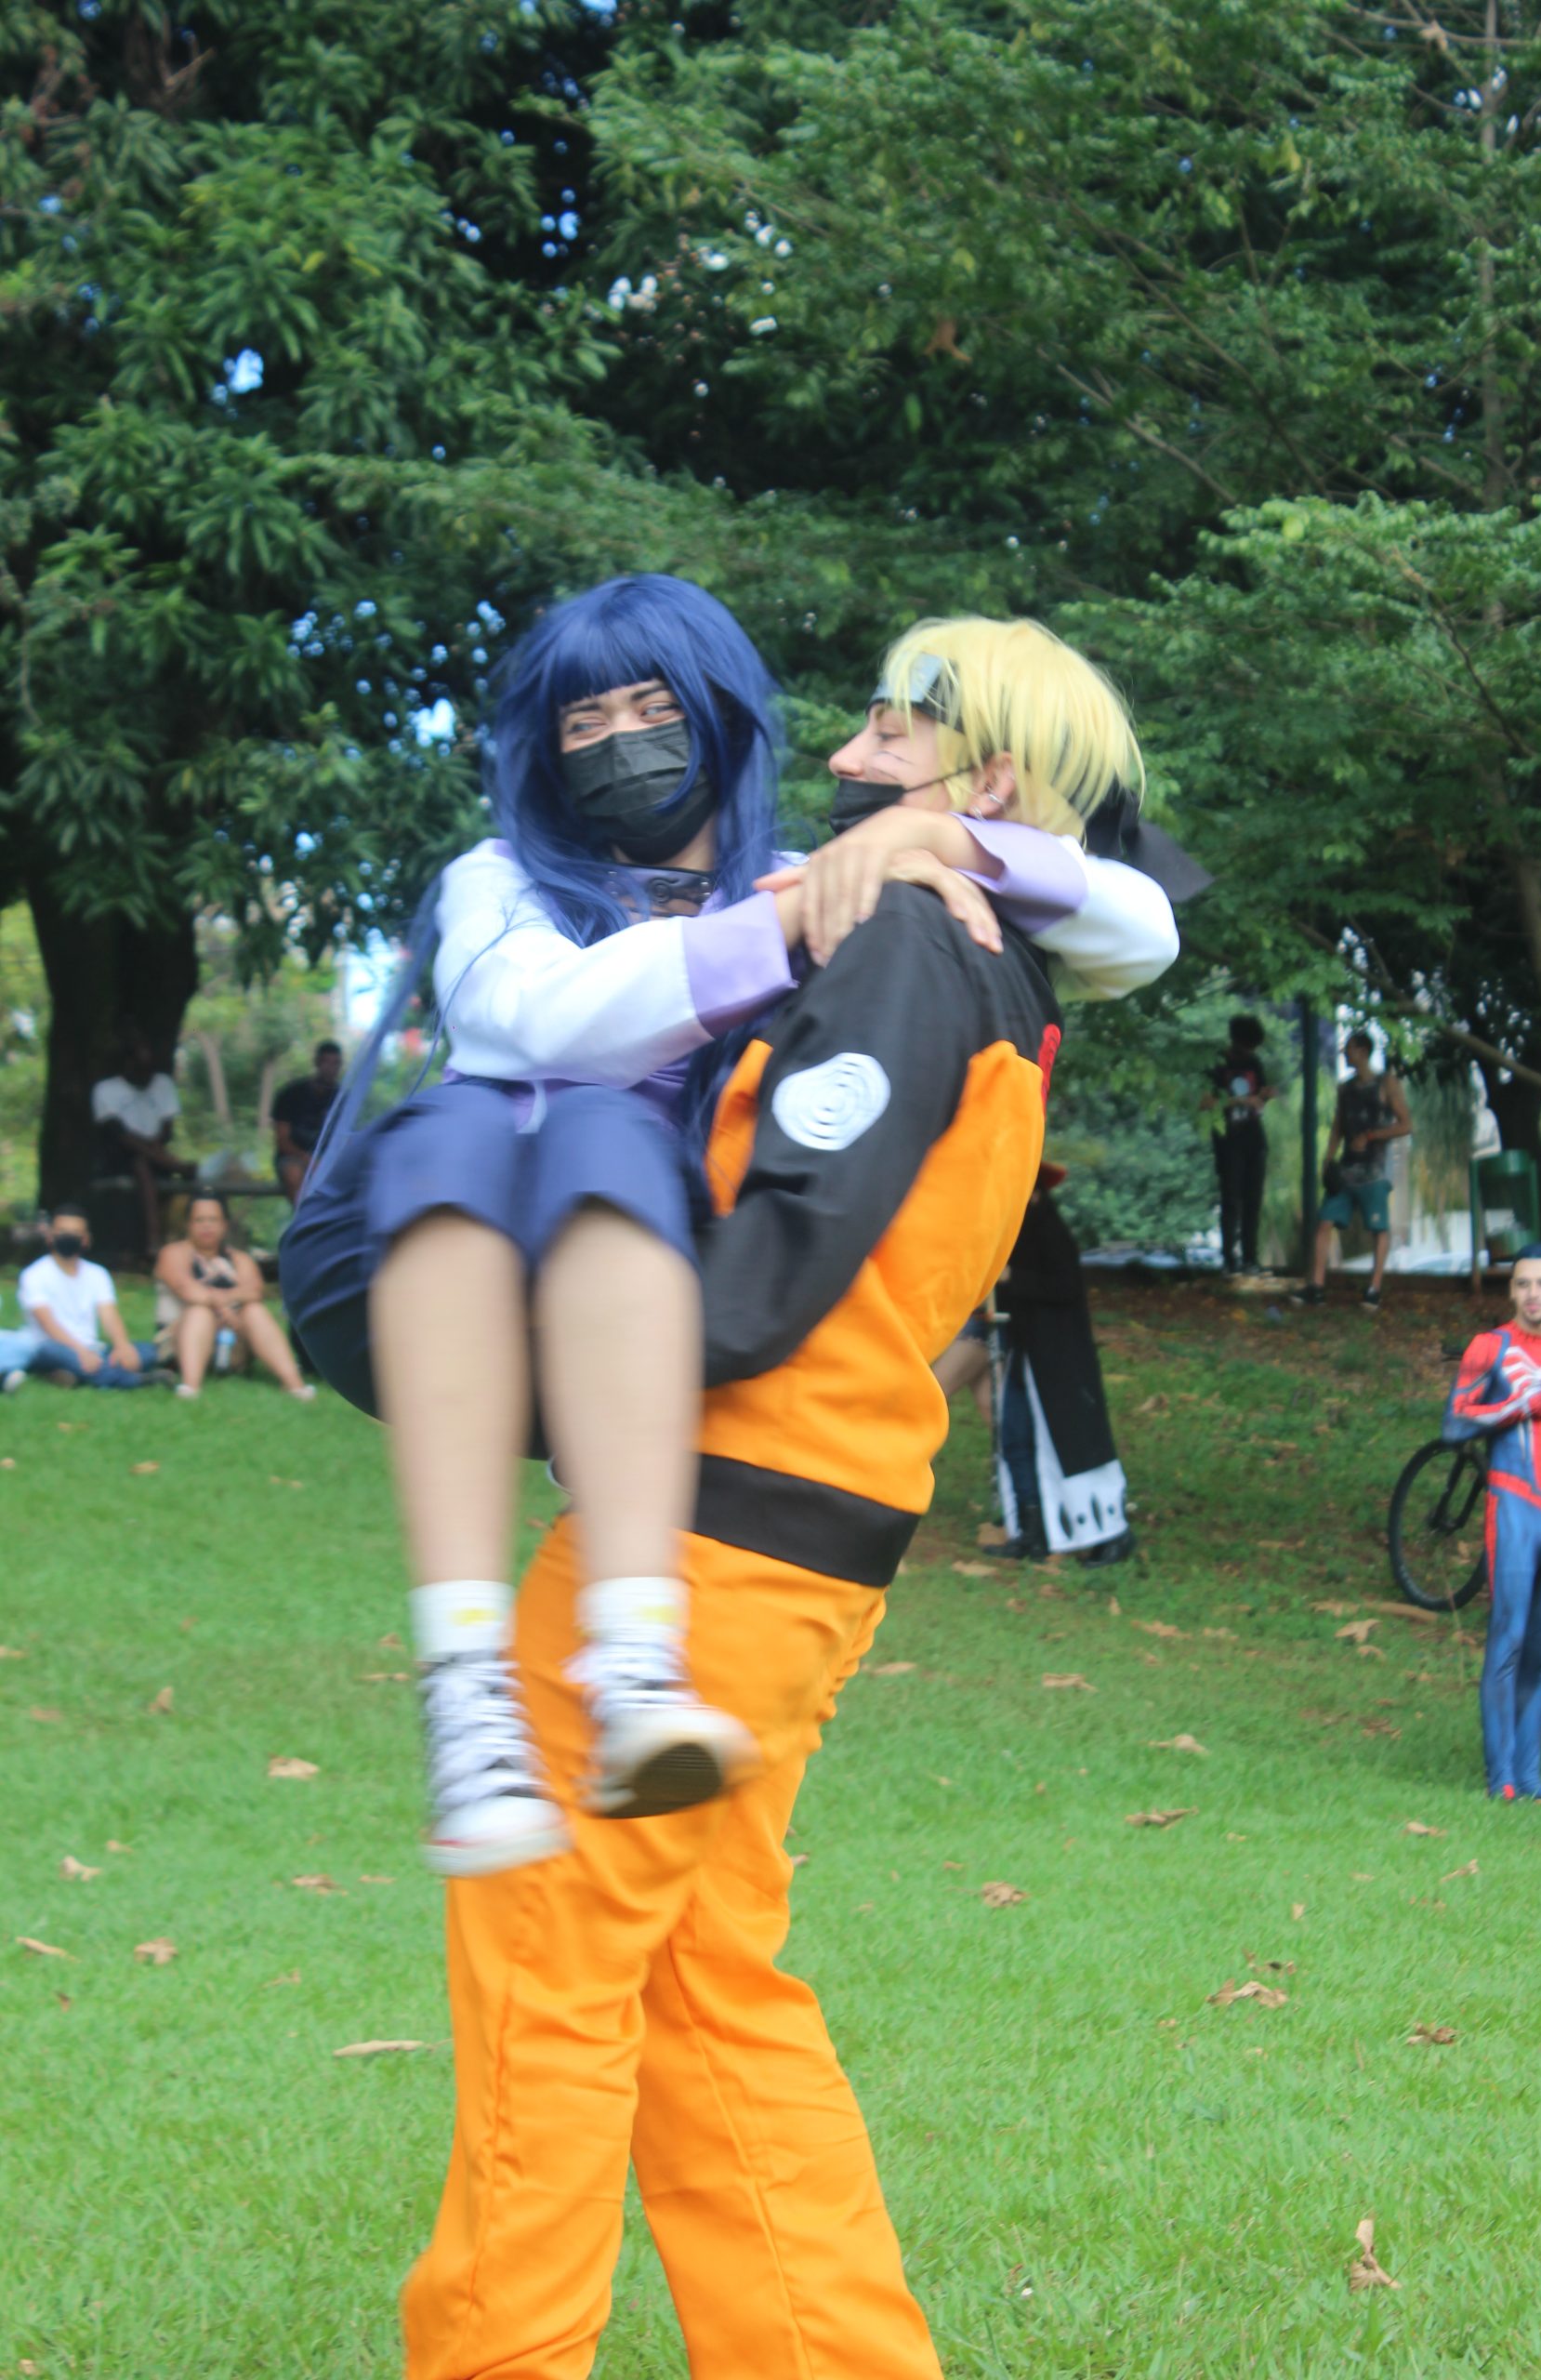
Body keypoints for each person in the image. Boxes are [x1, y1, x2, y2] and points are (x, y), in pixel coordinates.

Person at [402, 611, 1180, 2380]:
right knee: (702, 1992)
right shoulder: (990, 957)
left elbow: (774, 1268)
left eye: (892, 728)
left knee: (546, 1986)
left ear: (985, 772)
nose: (845, 750)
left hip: (705, 1532)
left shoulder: (907, 940)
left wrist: (509, 1364)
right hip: (807, 1532)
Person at [282, 582, 1165, 1879]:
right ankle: (467, 1690)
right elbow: (541, 1020)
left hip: (619, 1266)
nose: (620, 741)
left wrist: (948, 842)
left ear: (715, 717)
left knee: (611, 1152)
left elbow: (1141, 923)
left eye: (651, 707)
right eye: (584, 720)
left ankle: (634, 1666)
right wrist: (795, 914)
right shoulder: (506, 881)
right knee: (512, 1130)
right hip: (420, 1239)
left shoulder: (807, 875)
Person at [1443, 1244, 1541, 1801]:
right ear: (1511, 1290)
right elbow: (1454, 1425)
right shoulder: (1490, 1347)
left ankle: (1530, 1775)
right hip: (1514, 1508)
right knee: (1507, 1638)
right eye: (1523, 1284)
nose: (1533, 1294)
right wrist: (1521, 1405)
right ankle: (1500, 1776)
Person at [987, 1164, 1133, 1565]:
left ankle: (1113, 1535)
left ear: (1033, 1194)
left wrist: (1012, 1278)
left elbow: (1065, 1286)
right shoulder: (1016, 1234)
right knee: (1016, 1437)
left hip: (1059, 1361)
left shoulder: (1051, 1233)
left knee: (1075, 1446)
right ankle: (1032, 1532)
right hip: (1026, 1353)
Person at [153, 1192, 317, 1402]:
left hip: (232, 1342)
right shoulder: (172, 1253)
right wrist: (225, 1307)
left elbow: (255, 1291)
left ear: (225, 1225)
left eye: (213, 1220)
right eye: (199, 1220)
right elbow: (188, 1291)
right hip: (178, 1343)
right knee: (199, 1312)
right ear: (188, 1225)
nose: (206, 1226)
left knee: (254, 1310)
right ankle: (190, 1387)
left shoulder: (240, 1259)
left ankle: (295, 1386)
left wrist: (219, 1302)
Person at [1294, 1029, 1412, 1308]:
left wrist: (1371, 1136)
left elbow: (1406, 1125)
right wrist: (1328, 1158)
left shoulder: (1386, 1083)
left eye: (1349, 1048)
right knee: (1325, 1221)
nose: (1345, 1053)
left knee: (1378, 1228)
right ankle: (1316, 1287)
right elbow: (1338, 1126)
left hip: (1376, 1171)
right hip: (1346, 1171)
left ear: (1362, 1051)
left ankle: (1374, 1290)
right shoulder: (1345, 1089)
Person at [18, 1206, 164, 1387]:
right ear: (50, 1236)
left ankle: (71, 1375)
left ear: (86, 1239)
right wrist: (80, 1352)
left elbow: (109, 1315)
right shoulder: (34, 1275)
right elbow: (47, 1324)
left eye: (76, 1233)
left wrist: (122, 1346)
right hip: (51, 1346)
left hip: (93, 1348)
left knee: (148, 1351)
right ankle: (134, 1380)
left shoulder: (97, 1274)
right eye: (62, 1232)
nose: (69, 1237)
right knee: (56, 1353)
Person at [90, 1027, 194, 1258]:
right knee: (140, 1162)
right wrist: (167, 1161)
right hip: (119, 1157)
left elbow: (167, 1129)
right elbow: (118, 1134)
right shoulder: (106, 1090)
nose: (147, 1076)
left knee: (146, 1162)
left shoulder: (162, 1084)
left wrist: (156, 1149)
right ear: (128, 1065)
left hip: (157, 1152)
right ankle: (152, 1238)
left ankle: (172, 1238)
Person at [1205, 1012, 1275, 1275]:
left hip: (1254, 1138)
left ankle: (1250, 1258)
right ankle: (1229, 1259)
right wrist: (1242, 1101)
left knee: (1253, 1201)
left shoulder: (1254, 1063)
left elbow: (1258, 1097)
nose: (1250, 1051)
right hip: (1228, 1140)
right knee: (1231, 1200)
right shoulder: (1218, 1063)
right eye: (1248, 1046)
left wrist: (1264, 1096)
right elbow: (1206, 1102)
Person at [270, 1040, 343, 1206]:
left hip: (331, 1160)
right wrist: (310, 1161)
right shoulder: (290, 1094)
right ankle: (304, 1218)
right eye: (326, 1062)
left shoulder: (344, 1099)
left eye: (336, 1063)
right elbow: (282, 1140)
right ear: (317, 1063)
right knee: (294, 1173)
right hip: (293, 1158)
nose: (331, 1068)